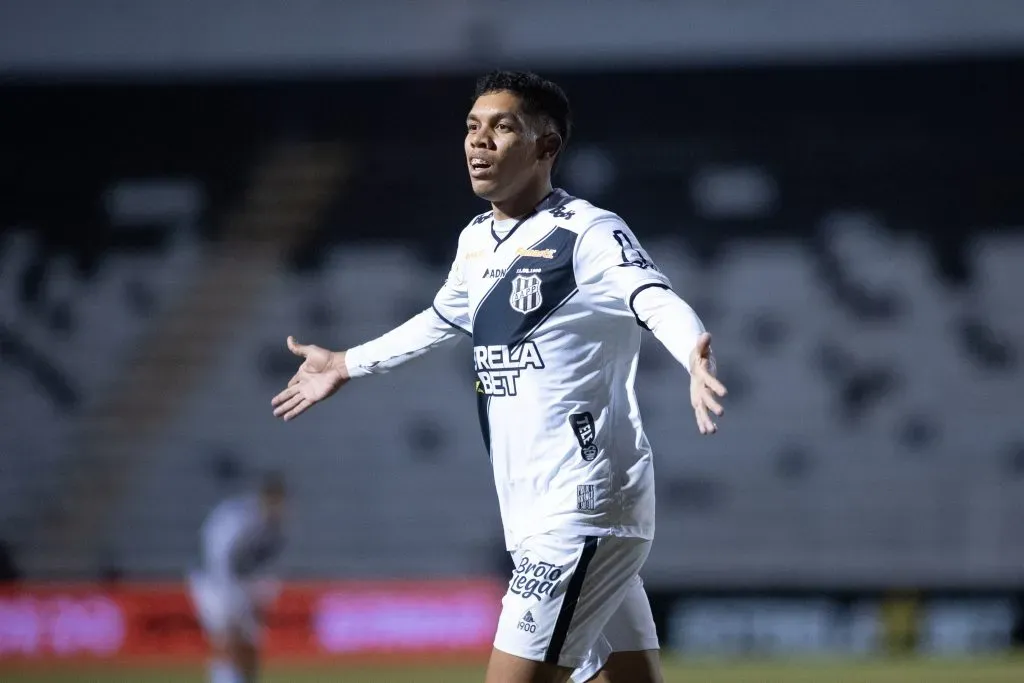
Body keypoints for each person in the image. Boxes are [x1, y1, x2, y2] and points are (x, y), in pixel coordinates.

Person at [272, 70, 726, 683]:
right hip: (547, 511)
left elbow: (652, 296)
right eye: (471, 127)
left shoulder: (586, 232)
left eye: (502, 127)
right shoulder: (477, 242)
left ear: (546, 147)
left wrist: (691, 353)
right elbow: (440, 318)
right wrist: (348, 362)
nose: (477, 141)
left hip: (581, 507)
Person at [188, 472, 287, 683]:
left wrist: (260, 595)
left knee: (250, 642)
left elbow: (266, 566)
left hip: (242, 583)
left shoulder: (274, 528)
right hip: (214, 581)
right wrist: (233, 597)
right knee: (226, 638)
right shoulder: (241, 519)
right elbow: (220, 559)